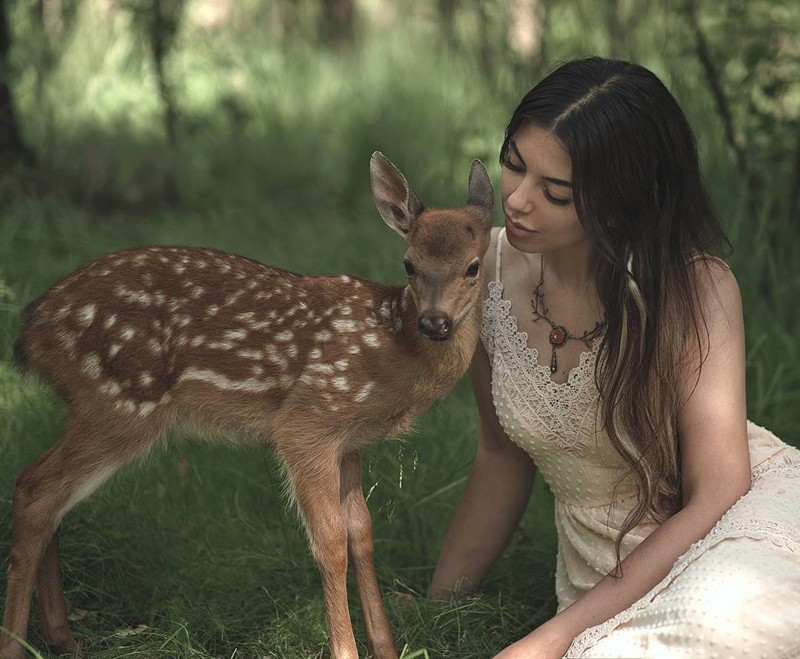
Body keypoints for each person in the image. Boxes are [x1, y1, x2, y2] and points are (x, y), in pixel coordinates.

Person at [429, 57, 800, 658]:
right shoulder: (486, 270)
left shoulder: (692, 288)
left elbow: (720, 489)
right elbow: (500, 456)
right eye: (513, 164)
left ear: (620, 199)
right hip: (602, 565)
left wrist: (550, 639)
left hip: (733, 526)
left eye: (554, 192)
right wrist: (435, 607)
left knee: (729, 629)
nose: (517, 201)